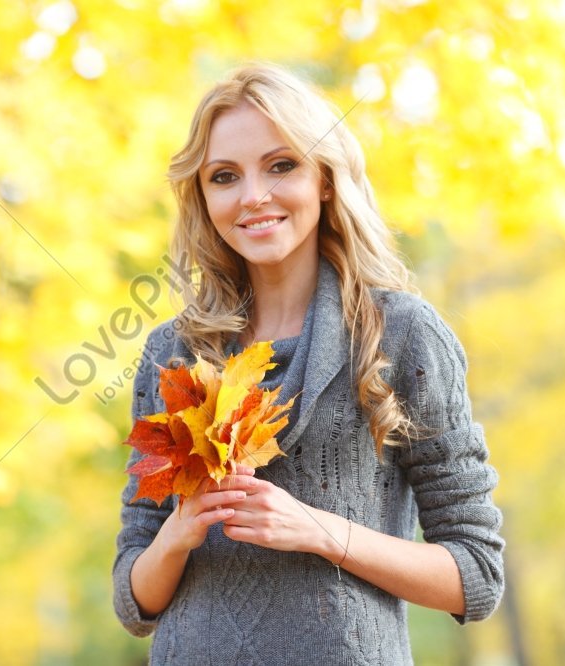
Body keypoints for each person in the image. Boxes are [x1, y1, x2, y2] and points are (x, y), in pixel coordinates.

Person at [113, 62, 504, 665]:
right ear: (204, 196)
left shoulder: (401, 335)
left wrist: (322, 532)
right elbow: (132, 599)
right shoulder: (174, 353)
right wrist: (178, 533)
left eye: (281, 165)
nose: (253, 196)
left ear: (325, 179)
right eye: (224, 176)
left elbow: (476, 574)